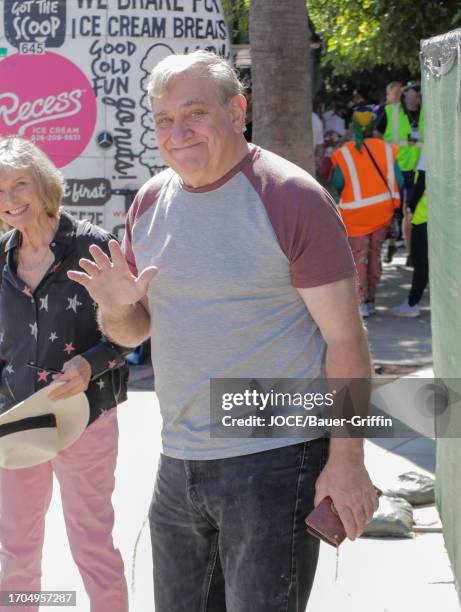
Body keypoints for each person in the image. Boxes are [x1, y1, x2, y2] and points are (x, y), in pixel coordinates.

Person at [69, 51, 379, 611]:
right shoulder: (149, 202)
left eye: (194, 113)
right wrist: (116, 309)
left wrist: (349, 460)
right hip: (178, 458)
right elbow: (136, 330)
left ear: (238, 111)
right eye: (163, 119)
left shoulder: (291, 198)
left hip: (275, 460)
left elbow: (346, 339)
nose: (177, 131)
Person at [0, 137, 129, 612]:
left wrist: (90, 363)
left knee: (92, 546)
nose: (11, 201)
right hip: (17, 421)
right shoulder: (0, 259)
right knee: (16, 552)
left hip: (86, 418)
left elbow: (132, 333)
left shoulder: (91, 246)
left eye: (20, 185)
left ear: (45, 185)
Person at [330, 106, 403, 318]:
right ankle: (372, 299)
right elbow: (398, 180)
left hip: (355, 217)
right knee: (374, 256)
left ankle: (361, 303)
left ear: (353, 126)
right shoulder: (387, 150)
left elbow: (338, 183)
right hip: (382, 214)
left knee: (358, 258)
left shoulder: (344, 153)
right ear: (373, 126)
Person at [376, 81, 423, 257]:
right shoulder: (390, 112)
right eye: (414, 91)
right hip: (395, 169)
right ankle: (391, 243)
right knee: (392, 209)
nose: (417, 95)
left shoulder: (425, 112)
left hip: (417, 169)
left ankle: (410, 251)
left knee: (409, 210)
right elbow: (377, 136)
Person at [393, 153, 428, 317]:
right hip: (448, 219)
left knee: (421, 263)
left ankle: (412, 304)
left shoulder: (432, 150)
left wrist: (411, 208)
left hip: (425, 218)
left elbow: (421, 182)